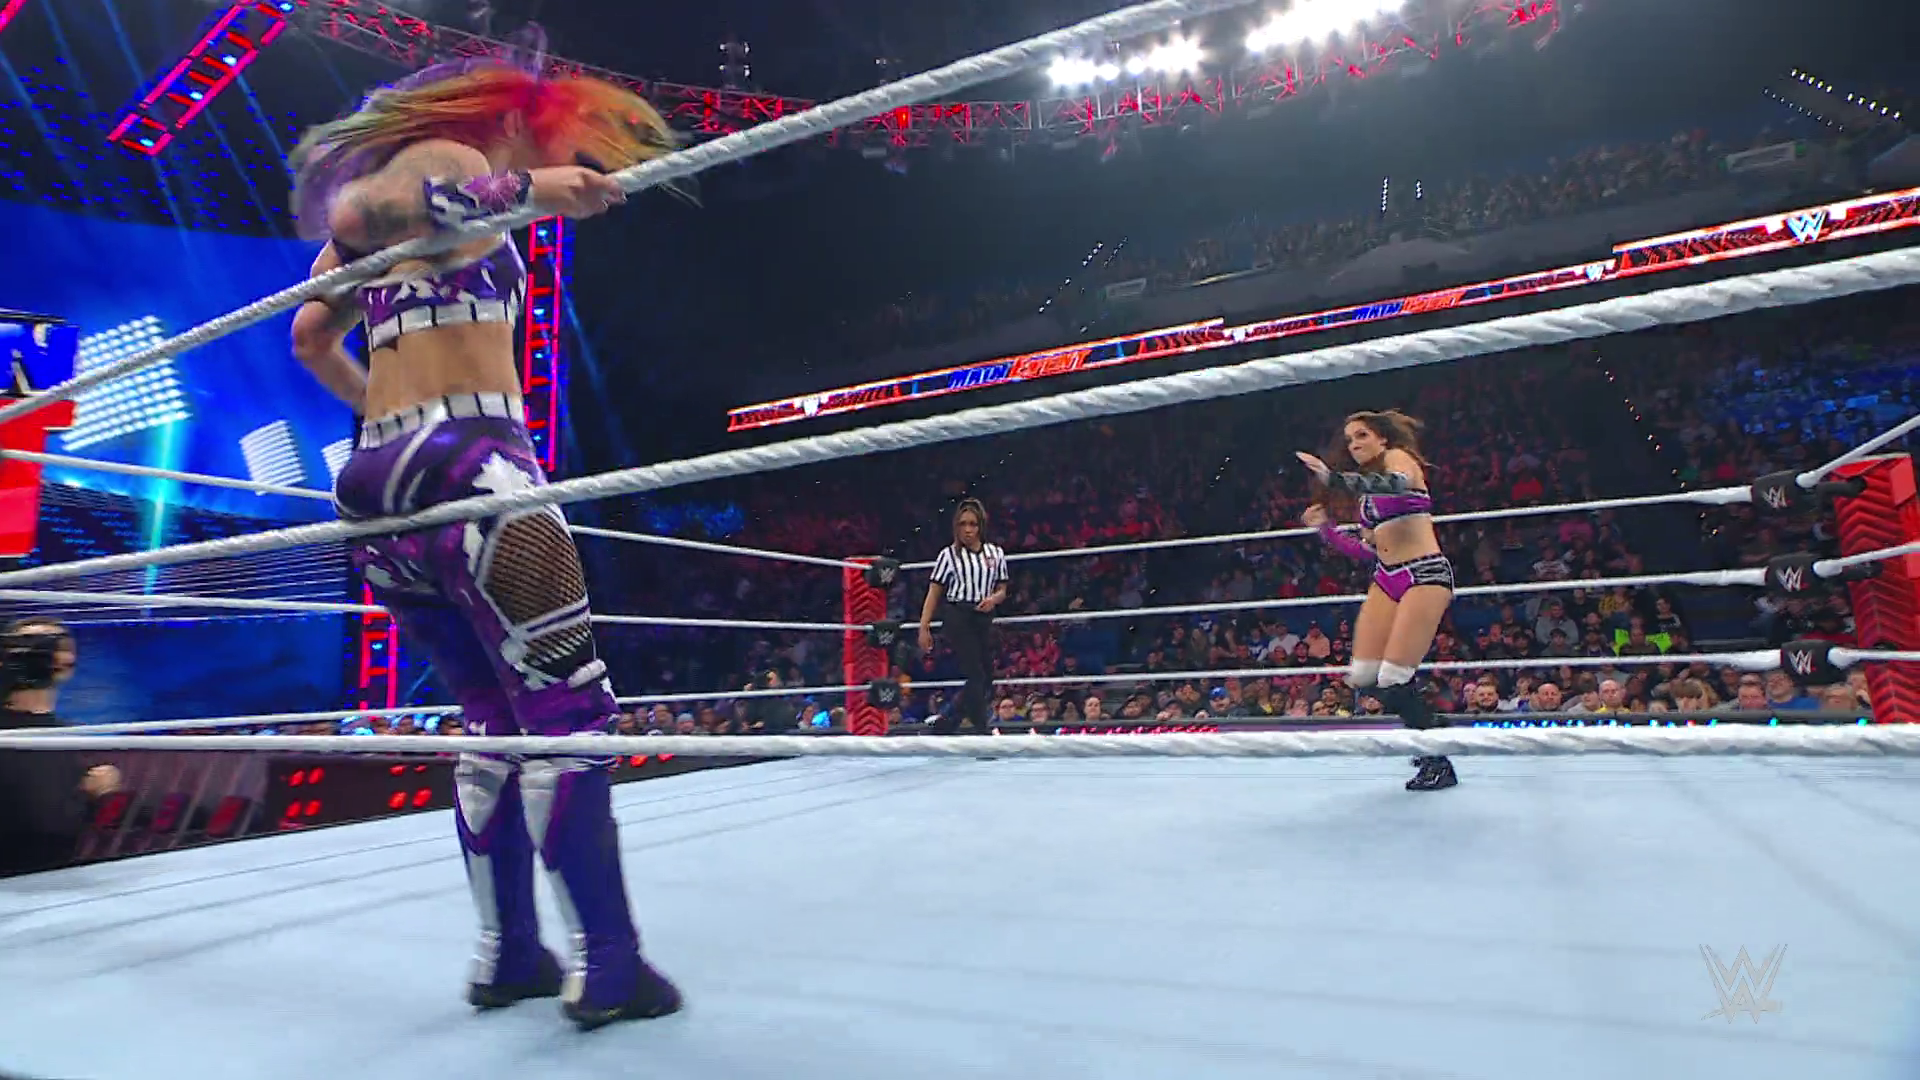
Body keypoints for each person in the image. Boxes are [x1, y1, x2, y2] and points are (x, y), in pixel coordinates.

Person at [285, 48, 682, 1029]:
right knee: (567, 717)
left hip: (379, 483)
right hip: (475, 465)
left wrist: (382, 413)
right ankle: (609, 964)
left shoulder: (409, 215)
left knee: (490, 718)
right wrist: (534, 189)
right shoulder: (453, 164)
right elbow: (377, 208)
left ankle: (508, 953)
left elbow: (307, 337)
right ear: (509, 123)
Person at [1298, 410, 1458, 791]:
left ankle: (1438, 759)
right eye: (1349, 439)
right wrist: (1325, 530)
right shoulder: (1368, 498)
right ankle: (1432, 727)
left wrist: (1334, 479)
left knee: (1393, 678)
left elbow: (1396, 484)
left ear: (1382, 438)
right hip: (1386, 577)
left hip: (1423, 573)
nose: (1354, 445)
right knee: (1365, 677)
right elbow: (1368, 551)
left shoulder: (1399, 460)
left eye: (1362, 435)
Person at [0, 619, 121, 877]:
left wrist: (93, 792)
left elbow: (57, 821)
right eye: (36, 646)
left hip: (50, 879)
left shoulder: (70, 736)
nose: (56, 654)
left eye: (61, 646)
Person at [917, 498, 1008, 735]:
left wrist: (993, 599)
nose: (968, 529)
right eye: (963, 524)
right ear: (956, 527)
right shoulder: (948, 555)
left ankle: (947, 720)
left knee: (986, 677)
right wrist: (924, 627)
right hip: (958, 615)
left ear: (981, 526)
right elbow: (934, 591)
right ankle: (981, 728)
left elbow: (1002, 589)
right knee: (975, 673)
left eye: (972, 524)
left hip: (983, 616)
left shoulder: (995, 553)